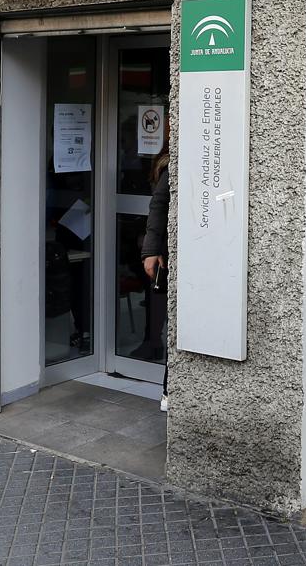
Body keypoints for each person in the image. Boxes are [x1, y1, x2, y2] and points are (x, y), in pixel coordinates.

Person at [140, 139, 170, 412]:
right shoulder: (170, 160)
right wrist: (151, 249)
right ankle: (168, 391)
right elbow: (159, 205)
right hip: (165, 251)